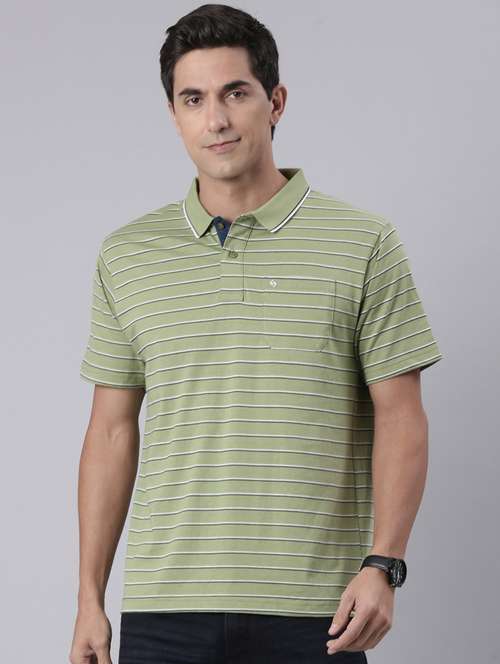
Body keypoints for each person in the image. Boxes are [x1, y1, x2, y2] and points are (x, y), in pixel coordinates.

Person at [69, 4, 443, 663]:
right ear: (174, 114)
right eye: (193, 99)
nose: (215, 119)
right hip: (164, 610)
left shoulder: (363, 242)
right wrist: (89, 599)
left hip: (317, 610)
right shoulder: (127, 255)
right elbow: (110, 432)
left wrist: (384, 564)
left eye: (235, 93)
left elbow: (401, 416)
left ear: (275, 102)